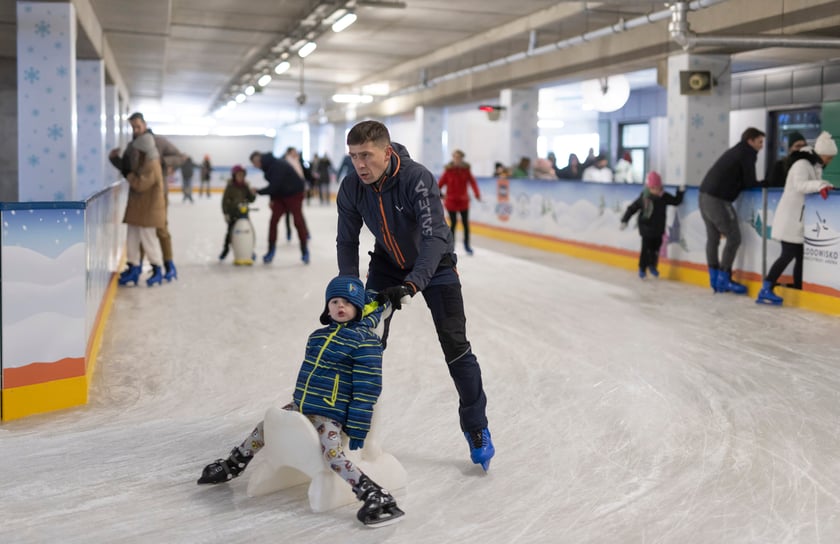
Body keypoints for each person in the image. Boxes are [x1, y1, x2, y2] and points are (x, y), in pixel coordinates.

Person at [336, 120, 494, 471]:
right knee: (362, 342)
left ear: (386, 151)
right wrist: (348, 290)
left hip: (435, 267)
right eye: (353, 156)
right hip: (387, 265)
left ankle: (477, 427)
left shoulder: (416, 178)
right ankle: (351, 426)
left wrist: (413, 284)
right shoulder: (351, 187)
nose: (359, 164)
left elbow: (435, 238)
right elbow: (347, 240)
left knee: (455, 345)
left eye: (366, 155)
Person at [196, 276, 404, 527]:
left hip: (330, 414)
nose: (340, 306)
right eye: (335, 301)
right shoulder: (317, 336)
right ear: (327, 306)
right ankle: (233, 464)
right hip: (302, 406)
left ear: (358, 308)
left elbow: (367, 388)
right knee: (265, 427)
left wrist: (358, 427)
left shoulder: (365, 342)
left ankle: (373, 493)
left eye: (348, 303)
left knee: (333, 455)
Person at [757, 131, 835, 305]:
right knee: (788, 254)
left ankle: (798, 286)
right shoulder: (801, 164)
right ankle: (766, 288)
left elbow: (812, 185)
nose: (829, 161)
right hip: (790, 219)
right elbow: (800, 185)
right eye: (828, 157)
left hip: (798, 220)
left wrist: (824, 185)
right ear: (821, 153)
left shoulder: (813, 165)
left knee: (799, 256)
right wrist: (820, 184)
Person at [109, 112, 183, 282]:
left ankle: (168, 265)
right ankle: (136, 267)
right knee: (138, 232)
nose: (136, 129)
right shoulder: (132, 146)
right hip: (139, 195)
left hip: (157, 194)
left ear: (144, 124)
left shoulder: (158, 142)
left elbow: (180, 158)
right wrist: (114, 160)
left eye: (138, 126)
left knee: (160, 230)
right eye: (133, 127)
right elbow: (126, 168)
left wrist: (161, 163)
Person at [698, 127, 765, 294]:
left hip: (704, 195)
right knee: (734, 237)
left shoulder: (736, 150)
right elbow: (750, 182)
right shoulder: (747, 153)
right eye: (759, 142)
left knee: (713, 238)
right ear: (750, 141)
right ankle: (724, 279)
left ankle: (714, 278)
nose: (761, 146)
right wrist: (768, 182)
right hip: (718, 199)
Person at [117, 133, 166, 287]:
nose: (136, 152)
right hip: (139, 210)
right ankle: (133, 267)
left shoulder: (151, 164)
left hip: (148, 211)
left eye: (138, 150)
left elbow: (140, 185)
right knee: (132, 239)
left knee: (148, 241)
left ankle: (157, 269)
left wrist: (128, 175)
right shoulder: (144, 162)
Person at [620, 171, 685, 278]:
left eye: (658, 188)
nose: (655, 190)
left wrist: (680, 191)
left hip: (659, 229)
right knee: (646, 249)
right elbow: (632, 208)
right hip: (646, 228)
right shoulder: (644, 198)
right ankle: (642, 268)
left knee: (655, 249)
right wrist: (624, 220)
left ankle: (652, 266)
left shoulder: (664, 197)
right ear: (648, 187)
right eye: (653, 188)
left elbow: (676, 201)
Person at [250, 150, 309, 264]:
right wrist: (272, 199)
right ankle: (270, 251)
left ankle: (304, 250)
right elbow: (275, 185)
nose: (254, 166)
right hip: (280, 196)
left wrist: (258, 191)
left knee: (298, 221)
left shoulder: (277, 165)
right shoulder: (268, 167)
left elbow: (274, 186)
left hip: (294, 194)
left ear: (258, 160)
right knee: (273, 221)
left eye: (254, 163)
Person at [438, 149, 482, 255]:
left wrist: (477, 194)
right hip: (451, 202)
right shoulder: (448, 171)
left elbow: (473, 183)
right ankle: (451, 246)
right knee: (453, 224)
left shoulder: (466, 171)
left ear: (462, 159)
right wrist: (440, 194)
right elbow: (439, 185)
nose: (457, 159)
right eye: (455, 157)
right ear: (453, 158)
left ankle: (467, 245)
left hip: (463, 202)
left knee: (465, 224)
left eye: (459, 157)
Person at [219, 165, 257, 261]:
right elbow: (224, 201)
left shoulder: (245, 186)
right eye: (238, 175)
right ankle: (226, 249)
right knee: (230, 233)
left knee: (249, 232)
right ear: (234, 176)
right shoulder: (230, 187)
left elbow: (251, 199)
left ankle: (249, 250)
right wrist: (226, 213)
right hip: (233, 214)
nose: (240, 177)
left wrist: (253, 193)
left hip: (243, 214)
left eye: (242, 175)